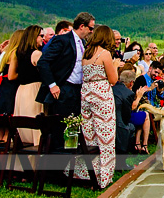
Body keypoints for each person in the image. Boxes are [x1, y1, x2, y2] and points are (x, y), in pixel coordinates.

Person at [36, 12, 95, 148]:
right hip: (63, 88)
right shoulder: (63, 40)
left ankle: (70, 162)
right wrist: (52, 84)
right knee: (59, 128)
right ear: (82, 26)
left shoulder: (83, 43)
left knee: (74, 128)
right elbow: (43, 62)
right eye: (90, 28)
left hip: (77, 90)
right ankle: (56, 163)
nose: (91, 31)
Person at [72, 25, 119, 187]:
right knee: (105, 135)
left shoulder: (87, 53)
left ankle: (86, 173)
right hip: (101, 95)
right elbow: (113, 80)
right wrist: (115, 66)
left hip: (86, 93)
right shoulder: (104, 54)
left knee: (89, 134)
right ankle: (104, 176)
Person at [8, 26, 44, 145]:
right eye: (41, 36)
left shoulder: (17, 52)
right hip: (34, 90)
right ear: (34, 37)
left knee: (23, 124)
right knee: (36, 123)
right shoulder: (36, 54)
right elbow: (46, 73)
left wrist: (24, 74)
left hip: (22, 91)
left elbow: (11, 76)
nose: (43, 39)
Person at [113, 69, 137, 162]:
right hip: (119, 125)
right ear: (131, 83)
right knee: (131, 127)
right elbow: (127, 116)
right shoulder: (128, 93)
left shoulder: (112, 88)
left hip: (110, 121)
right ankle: (122, 160)